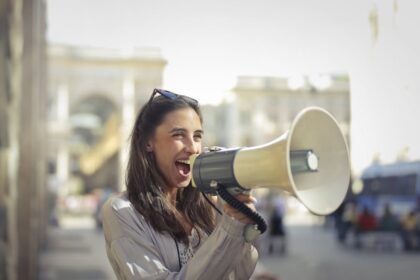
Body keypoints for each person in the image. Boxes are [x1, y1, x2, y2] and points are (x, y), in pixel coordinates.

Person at [102, 89, 259, 279]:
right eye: (178, 135)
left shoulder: (209, 204)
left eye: (197, 136)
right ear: (147, 143)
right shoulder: (122, 211)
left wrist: (239, 221)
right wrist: (229, 230)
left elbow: (237, 275)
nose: (193, 148)